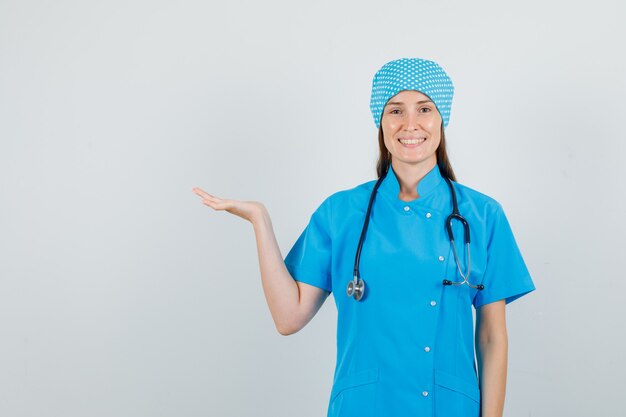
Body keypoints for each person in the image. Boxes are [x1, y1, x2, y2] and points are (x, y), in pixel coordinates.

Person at [192, 57, 536, 417]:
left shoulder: (482, 215)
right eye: (395, 111)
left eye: (424, 109)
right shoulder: (341, 212)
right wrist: (260, 221)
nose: (410, 124)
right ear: (381, 122)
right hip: (364, 406)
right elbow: (288, 317)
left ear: (441, 119)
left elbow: (491, 338)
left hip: (447, 406)